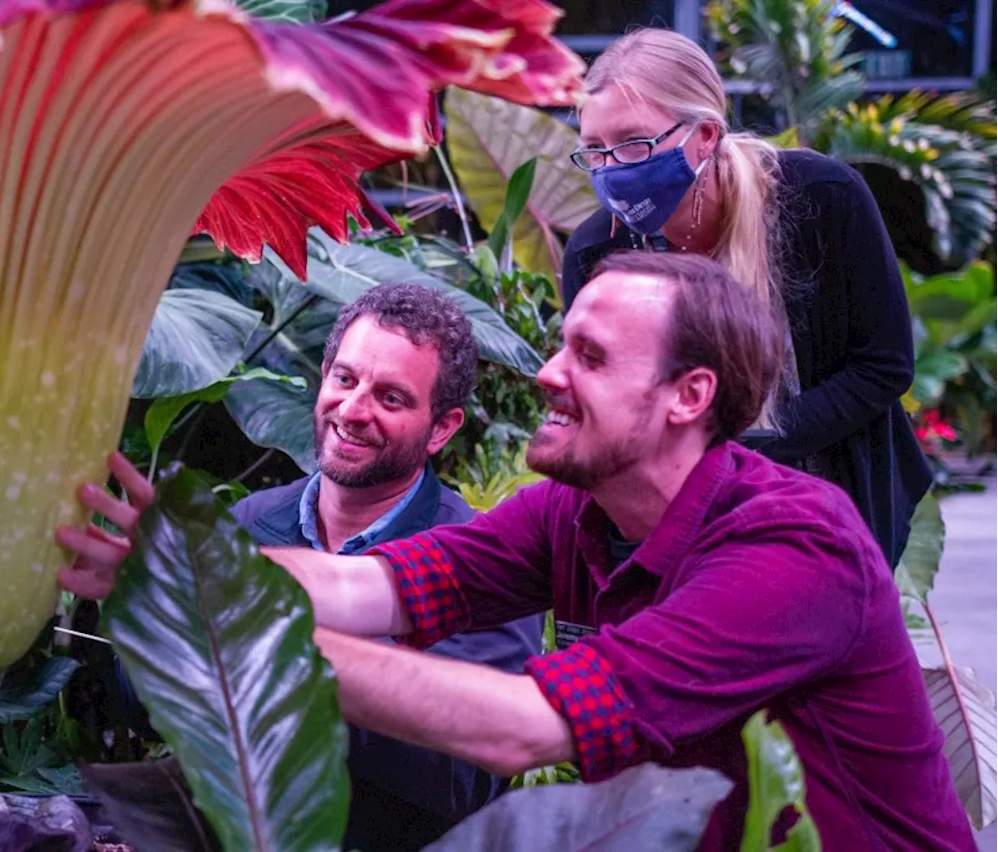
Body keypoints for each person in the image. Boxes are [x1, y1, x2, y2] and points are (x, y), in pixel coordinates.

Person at [59, 253, 975, 851]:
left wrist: (222, 622)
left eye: (590, 356)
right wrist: (183, 568)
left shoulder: (791, 548)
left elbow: (522, 727)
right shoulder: (568, 516)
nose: (545, 374)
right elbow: (361, 587)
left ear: (688, 396)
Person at [115, 283, 543, 851]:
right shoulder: (249, 523)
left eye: (391, 398)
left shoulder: (480, 559)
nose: (354, 409)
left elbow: (456, 776)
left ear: (441, 428)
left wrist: (253, 651)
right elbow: (138, 695)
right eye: (345, 379)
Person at [560, 27, 931, 569]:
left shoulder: (820, 199)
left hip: (833, 496)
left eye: (635, 143)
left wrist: (744, 451)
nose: (614, 170)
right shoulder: (597, 251)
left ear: (705, 136)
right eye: (595, 151)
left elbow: (883, 365)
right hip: (670, 515)